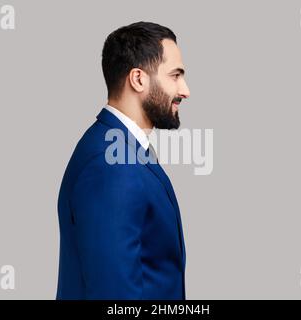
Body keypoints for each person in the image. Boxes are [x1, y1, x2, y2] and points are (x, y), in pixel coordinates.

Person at [56, 21, 190, 300]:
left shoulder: (119, 148)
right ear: (138, 79)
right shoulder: (111, 166)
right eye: (175, 75)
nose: (185, 90)